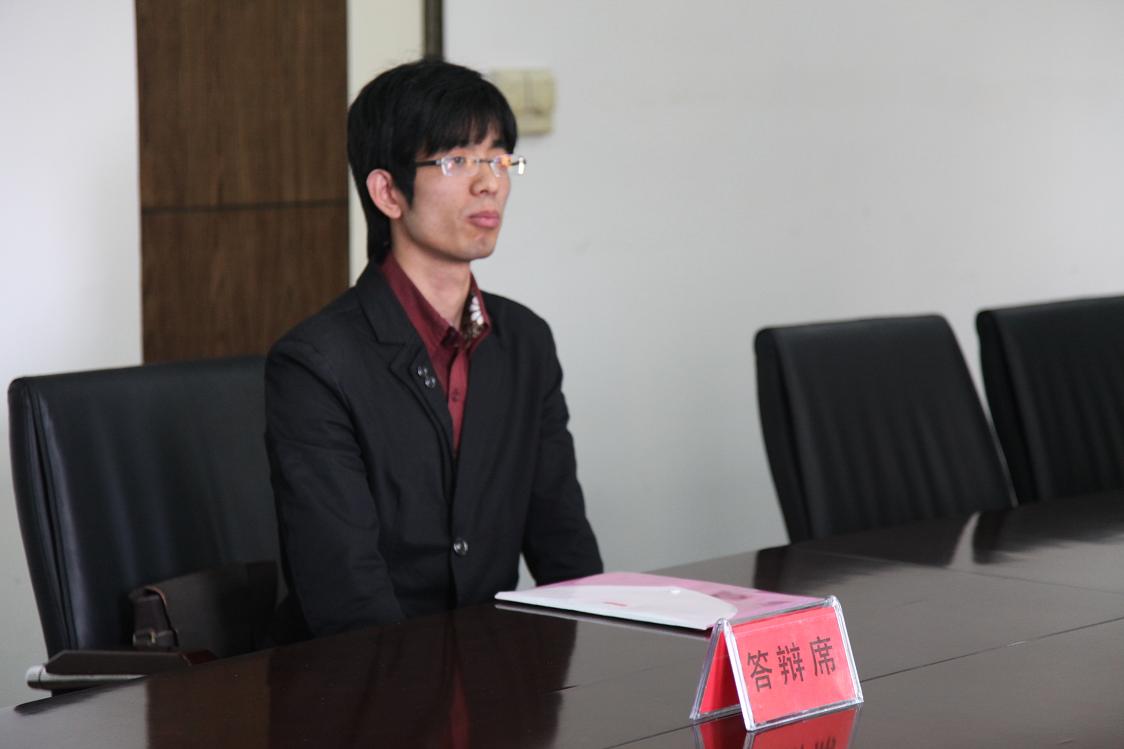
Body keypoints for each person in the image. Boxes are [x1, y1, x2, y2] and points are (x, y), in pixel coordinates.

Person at [265, 59, 603, 638]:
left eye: (498, 158)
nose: (489, 181)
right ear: (388, 192)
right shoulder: (315, 365)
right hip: (363, 681)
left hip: (494, 674)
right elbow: (347, 594)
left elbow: (564, 545)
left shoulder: (525, 342)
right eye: (456, 160)